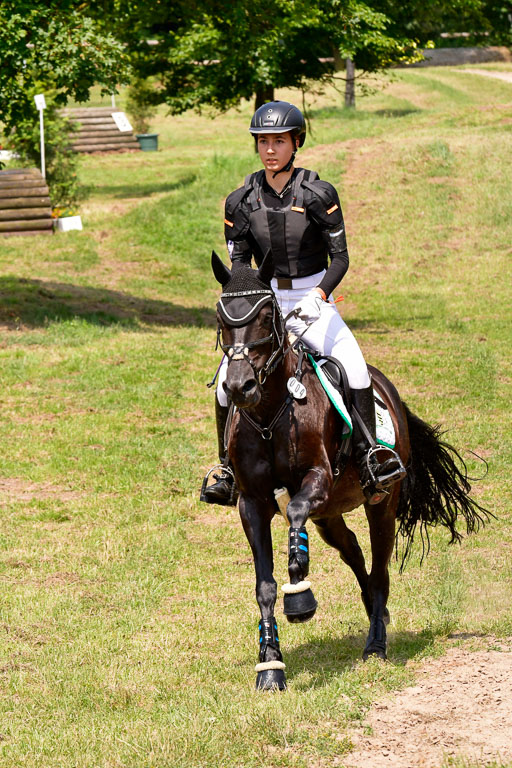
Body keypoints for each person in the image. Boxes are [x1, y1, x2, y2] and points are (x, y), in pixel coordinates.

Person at [203, 100, 403, 506]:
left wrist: (319, 296)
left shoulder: (318, 194)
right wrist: (250, 303)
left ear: (296, 143)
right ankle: (226, 468)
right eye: (263, 142)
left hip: (315, 296)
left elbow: (341, 258)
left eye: (279, 141)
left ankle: (370, 459)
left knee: (355, 367)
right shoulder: (239, 202)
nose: (270, 149)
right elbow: (240, 267)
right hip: (265, 300)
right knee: (226, 382)